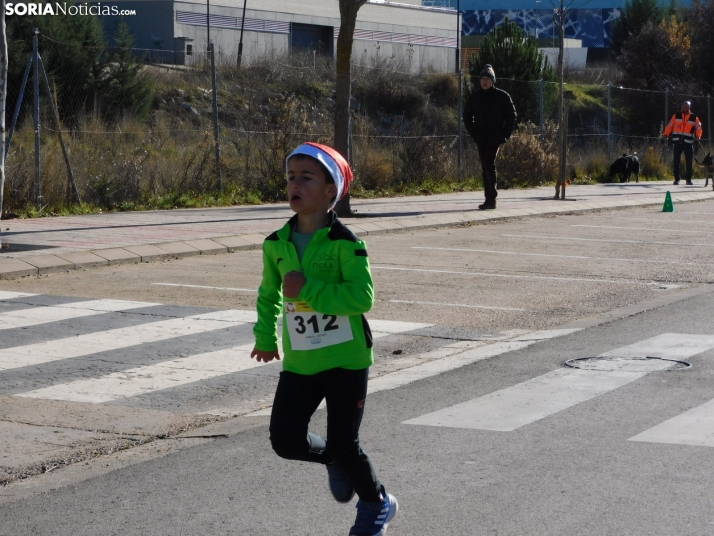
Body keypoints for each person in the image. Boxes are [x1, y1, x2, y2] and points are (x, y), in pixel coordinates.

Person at [250, 142, 398, 536]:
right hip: (301, 362)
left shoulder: (346, 243)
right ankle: (333, 459)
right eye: (290, 177)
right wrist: (265, 337)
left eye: (306, 177)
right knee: (285, 440)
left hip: (347, 361)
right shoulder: (276, 243)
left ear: (331, 190)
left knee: (346, 443)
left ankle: (376, 505)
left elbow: (361, 298)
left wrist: (308, 288)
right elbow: (269, 294)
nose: (294, 184)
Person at [462, 64, 517, 210]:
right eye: (482, 78)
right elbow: (467, 116)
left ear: (493, 80)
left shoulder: (502, 96)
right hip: (481, 137)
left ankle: (492, 198)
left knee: (488, 163)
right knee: (484, 166)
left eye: (487, 78)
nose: (484, 81)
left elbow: (511, 115)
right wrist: (474, 133)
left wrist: (505, 134)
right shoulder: (475, 97)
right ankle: (488, 198)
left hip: (495, 136)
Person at [663, 100, 703, 185]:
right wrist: (666, 134)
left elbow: (698, 127)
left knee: (689, 162)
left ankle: (688, 180)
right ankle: (677, 179)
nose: (686, 109)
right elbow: (670, 125)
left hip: (688, 143)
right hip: (678, 143)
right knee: (676, 162)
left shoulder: (694, 117)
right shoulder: (676, 116)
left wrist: (698, 136)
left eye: (688, 107)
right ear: (682, 108)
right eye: (685, 107)